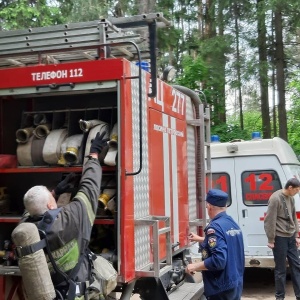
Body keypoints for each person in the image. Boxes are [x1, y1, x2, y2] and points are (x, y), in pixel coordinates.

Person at [21, 131, 108, 299]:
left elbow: (30, 208)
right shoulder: (70, 219)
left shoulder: (25, 228)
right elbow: (90, 187)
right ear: (49, 204)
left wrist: (55, 191)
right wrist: (94, 155)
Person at [185, 189, 244, 300]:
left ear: (209, 206)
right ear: (225, 206)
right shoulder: (231, 223)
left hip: (221, 286)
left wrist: (194, 266)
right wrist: (202, 239)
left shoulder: (214, 228)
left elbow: (219, 261)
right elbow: (228, 243)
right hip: (235, 282)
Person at [264, 178, 300, 300]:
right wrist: (271, 239)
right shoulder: (275, 198)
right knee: (281, 269)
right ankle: (280, 297)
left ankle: (299, 295)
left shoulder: (291, 198)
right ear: (290, 188)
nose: (297, 192)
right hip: (280, 237)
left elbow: (294, 217)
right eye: (296, 190)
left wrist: (297, 235)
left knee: (296, 266)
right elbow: (270, 220)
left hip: (290, 236)